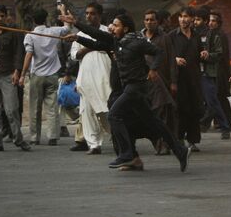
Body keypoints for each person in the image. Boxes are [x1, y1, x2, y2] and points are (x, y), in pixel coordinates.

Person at [60, 12, 190, 171]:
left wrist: (154, 69)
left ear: (126, 28)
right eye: (112, 25)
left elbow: (159, 52)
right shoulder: (115, 41)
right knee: (154, 122)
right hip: (128, 89)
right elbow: (96, 41)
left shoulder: (136, 42)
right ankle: (180, 150)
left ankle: (127, 154)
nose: (112, 28)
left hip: (137, 88)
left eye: (116, 25)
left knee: (114, 115)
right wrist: (77, 38)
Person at [0, 5, 30, 152]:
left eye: (2, 16)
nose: (0, 18)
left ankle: (18, 139)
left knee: (12, 110)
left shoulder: (13, 34)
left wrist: (17, 72)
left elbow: (18, 54)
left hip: (8, 75)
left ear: (6, 17)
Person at [19, 8, 69, 146]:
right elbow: (67, 28)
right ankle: (53, 136)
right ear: (46, 19)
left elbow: (28, 55)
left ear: (33, 20)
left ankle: (35, 138)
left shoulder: (30, 36)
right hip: (53, 75)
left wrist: (23, 74)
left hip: (37, 76)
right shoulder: (53, 31)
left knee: (35, 107)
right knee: (52, 107)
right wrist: (63, 11)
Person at [70, 3, 112, 154]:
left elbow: (108, 46)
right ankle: (94, 144)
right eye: (87, 13)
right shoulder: (79, 35)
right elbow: (74, 55)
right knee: (87, 112)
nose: (89, 16)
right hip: (86, 77)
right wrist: (90, 46)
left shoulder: (108, 31)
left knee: (106, 110)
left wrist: (91, 46)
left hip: (104, 77)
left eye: (92, 13)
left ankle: (119, 136)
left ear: (100, 15)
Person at [166, 7, 204, 153]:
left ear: (192, 19)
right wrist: (175, 60)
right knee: (180, 109)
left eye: (186, 16)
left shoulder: (196, 35)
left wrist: (204, 53)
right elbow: (163, 54)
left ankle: (193, 140)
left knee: (195, 109)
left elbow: (200, 52)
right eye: (181, 16)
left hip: (194, 78)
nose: (183, 19)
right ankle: (179, 138)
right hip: (178, 78)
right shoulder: (171, 36)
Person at [141, 9, 176, 154]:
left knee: (162, 114)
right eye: (147, 19)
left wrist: (173, 82)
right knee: (147, 115)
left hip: (161, 82)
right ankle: (157, 142)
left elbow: (171, 61)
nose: (149, 22)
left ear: (157, 22)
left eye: (152, 20)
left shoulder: (164, 38)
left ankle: (164, 145)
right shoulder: (140, 37)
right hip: (143, 83)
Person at [200, 11, 231, 134]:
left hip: (218, 72)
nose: (210, 23)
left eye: (213, 21)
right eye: (209, 20)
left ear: (218, 23)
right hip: (211, 71)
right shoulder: (210, 33)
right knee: (219, 98)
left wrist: (207, 56)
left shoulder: (219, 35)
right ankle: (229, 123)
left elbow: (220, 54)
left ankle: (204, 123)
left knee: (215, 99)